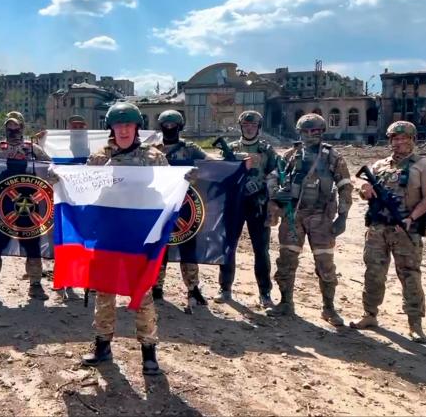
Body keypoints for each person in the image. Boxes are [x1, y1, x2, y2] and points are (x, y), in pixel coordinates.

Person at [81, 102, 168, 375]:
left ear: (137, 127)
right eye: (118, 125)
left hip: (139, 235)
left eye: (128, 125)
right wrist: (59, 179)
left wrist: (185, 179)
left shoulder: (154, 157)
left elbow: (169, 188)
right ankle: (102, 345)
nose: (123, 130)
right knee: (104, 291)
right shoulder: (98, 158)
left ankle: (148, 351)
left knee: (142, 292)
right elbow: (82, 187)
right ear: (111, 128)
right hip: (107, 233)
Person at [350, 121, 426, 343]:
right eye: (395, 139)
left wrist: (411, 218)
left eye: (403, 139)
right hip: (378, 228)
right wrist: (364, 191)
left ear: (412, 140)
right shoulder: (379, 166)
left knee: (410, 275)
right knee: (373, 272)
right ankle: (370, 314)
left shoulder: (423, 166)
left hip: (405, 228)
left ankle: (415, 323)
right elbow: (365, 194)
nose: (398, 143)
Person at [266, 113, 352, 327]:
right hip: (293, 215)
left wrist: (342, 217)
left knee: (325, 264)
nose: (310, 135)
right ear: (300, 132)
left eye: (315, 131)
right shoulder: (290, 155)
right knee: (286, 261)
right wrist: (277, 193)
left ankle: (329, 308)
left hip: (321, 218)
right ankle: (286, 302)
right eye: (306, 131)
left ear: (322, 132)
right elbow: (273, 177)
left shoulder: (333, 157)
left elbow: (345, 186)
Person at [0, 112, 52, 302]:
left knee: (32, 245)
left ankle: (35, 285)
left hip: (29, 206)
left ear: (22, 127)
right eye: (9, 127)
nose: (12, 131)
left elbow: (51, 170)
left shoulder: (34, 150)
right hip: (2, 205)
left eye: (16, 127)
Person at [215, 110, 278, 307]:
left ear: (258, 127)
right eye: (246, 125)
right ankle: (225, 289)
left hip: (258, 203)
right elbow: (221, 174)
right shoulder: (231, 148)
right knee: (228, 246)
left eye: (253, 125)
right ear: (241, 127)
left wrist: (265, 185)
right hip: (235, 204)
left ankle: (265, 292)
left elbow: (276, 172)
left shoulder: (266, 149)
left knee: (261, 250)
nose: (249, 128)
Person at [152, 109, 214, 306]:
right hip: (159, 206)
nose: (169, 128)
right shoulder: (153, 150)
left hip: (187, 207)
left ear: (180, 126)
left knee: (188, 247)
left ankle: (193, 287)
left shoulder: (190, 149)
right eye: (166, 125)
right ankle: (156, 286)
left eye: (173, 125)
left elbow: (212, 166)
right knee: (159, 247)